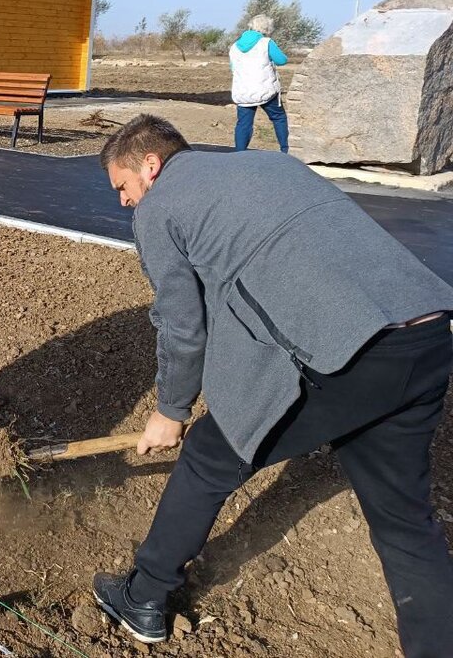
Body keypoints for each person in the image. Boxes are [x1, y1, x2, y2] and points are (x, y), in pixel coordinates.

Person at [92, 114, 453, 655]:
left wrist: (171, 409)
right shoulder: (272, 163)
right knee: (405, 524)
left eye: (122, 186)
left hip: (345, 351)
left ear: (150, 164)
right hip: (426, 331)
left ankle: (143, 597)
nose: (124, 201)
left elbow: (181, 320)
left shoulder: (160, 205)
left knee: (210, 458)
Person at [229, 13, 289, 151]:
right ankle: (285, 149)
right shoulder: (266, 43)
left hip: (243, 91)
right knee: (279, 117)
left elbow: (233, 68)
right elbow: (282, 60)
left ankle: (240, 153)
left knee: (243, 123)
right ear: (267, 29)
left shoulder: (234, 46)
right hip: (265, 89)